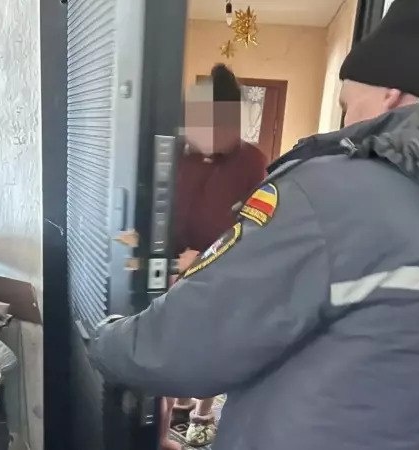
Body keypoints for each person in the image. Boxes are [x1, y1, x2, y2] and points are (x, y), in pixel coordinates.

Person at [92, 1, 419, 449]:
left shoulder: (333, 191)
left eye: (347, 104)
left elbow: (180, 345)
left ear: (390, 94)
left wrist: (102, 337)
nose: (346, 121)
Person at [166, 64, 267, 449]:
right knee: (174, 343)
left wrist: (207, 256)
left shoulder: (252, 162)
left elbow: (254, 228)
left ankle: (202, 414)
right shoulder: (174, 153)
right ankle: (177, 406)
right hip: (172, 268)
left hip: (222, 270)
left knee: (213, 345)